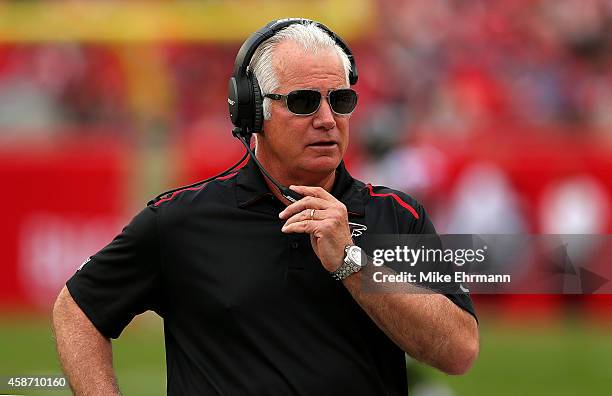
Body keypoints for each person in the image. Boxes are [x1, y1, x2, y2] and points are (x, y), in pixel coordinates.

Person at [52, 19, 479, 396]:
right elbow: (76, 309)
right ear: (254, 111)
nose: (328, 119)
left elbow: (459, 352)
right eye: (304, 102)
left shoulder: (396, 214)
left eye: (341, 101)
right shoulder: (182, 220)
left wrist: (352, 263)